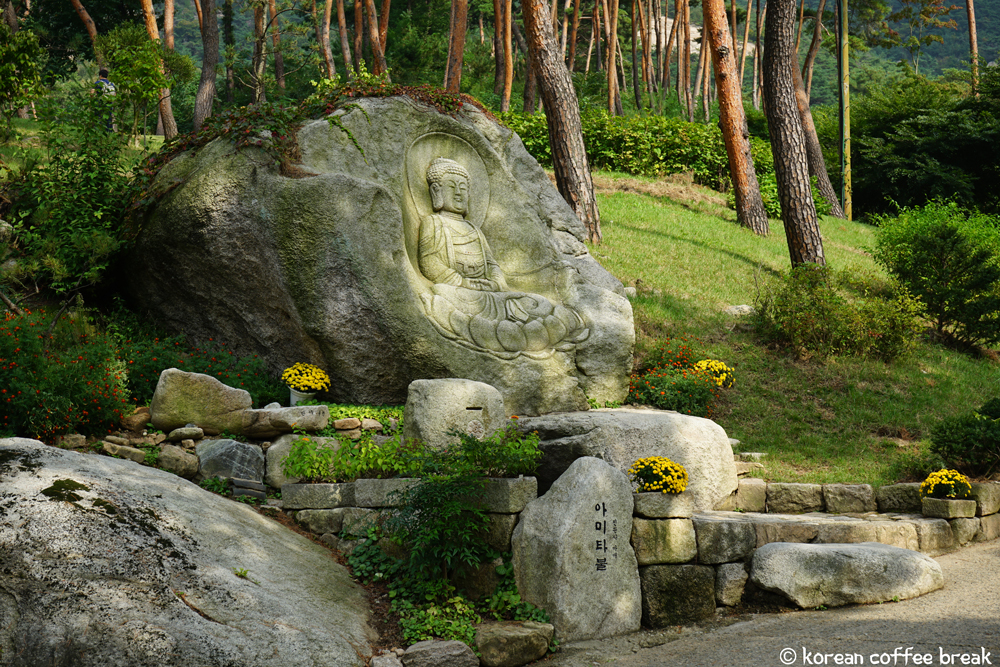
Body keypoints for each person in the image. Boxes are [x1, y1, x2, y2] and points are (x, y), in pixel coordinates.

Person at [417, 157, 588, 355]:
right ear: (436, 192)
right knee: (445, 296)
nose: (458, 193)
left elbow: (491, 264)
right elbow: (429, 262)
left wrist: (496, 282)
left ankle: (512, 331)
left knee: (534, 302)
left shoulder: (474, 229)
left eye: (463, 188)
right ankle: (530, 332)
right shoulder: (434, 223)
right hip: (462, 293)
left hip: (492, 295)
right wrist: (463, 283)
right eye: (452, 187)